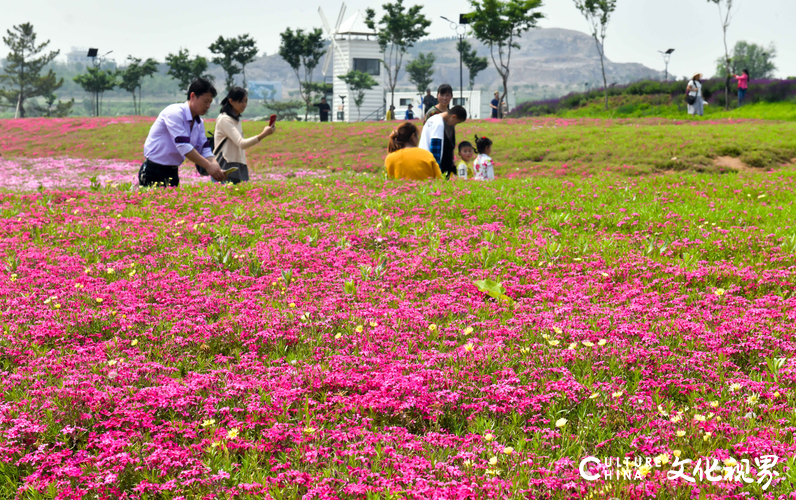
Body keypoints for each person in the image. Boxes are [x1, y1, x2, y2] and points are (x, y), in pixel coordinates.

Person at [140, 78, 226, 187]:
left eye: (210, 102)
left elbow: (204, 149)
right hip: (153, 170)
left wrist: (215, 166)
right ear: (192, 96)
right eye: (205, 101)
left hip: (172, 171)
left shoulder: (199, 123)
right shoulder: (174, 113)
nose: (208, 106)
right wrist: (209, 166)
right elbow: (184, 146)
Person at [213, 86, 276, 184]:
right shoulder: (224, 119)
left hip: (238, 167)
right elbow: (241, 143)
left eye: (246, 101)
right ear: (231, 101)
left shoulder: (236, 120)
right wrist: (263, 134)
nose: (244, 104)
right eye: (241, 101)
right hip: (225, 168)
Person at [418, 105, 467, 179]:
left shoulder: (433, 118)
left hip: (423, 159)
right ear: (453, 116)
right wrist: (437, 171)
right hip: (430, 165)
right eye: (456, 122)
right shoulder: (439, 123)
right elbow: (435, 148)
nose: (454, 124)